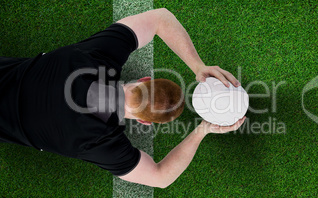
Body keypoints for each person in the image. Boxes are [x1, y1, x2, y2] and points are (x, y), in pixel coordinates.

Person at [0, 8, 246, 188]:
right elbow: (160, 178)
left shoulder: (94, 58)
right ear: (145, 122)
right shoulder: (103, 145)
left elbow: (161, 18)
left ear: (144, 81)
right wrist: (201, 131)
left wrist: (198, 66)